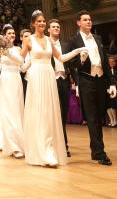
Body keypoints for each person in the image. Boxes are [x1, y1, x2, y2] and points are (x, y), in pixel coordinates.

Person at [21, 10, 86, 167]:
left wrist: (77, 51)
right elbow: (21, 62)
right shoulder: (28, 40)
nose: (42, 23)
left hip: (49, 76)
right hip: (36, 76)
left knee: (50, 113)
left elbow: (61, 58)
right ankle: (41, 151)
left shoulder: (49, 40)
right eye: (39, 21)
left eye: (44, 21)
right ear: (33, 23)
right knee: (39, 112)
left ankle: (50, 150)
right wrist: (8, 55)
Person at [65, 10, 116, 166]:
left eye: (90, 19)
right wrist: (80, 61)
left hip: (100, 80)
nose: (89, 22)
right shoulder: (73, 41)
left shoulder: (98, 38)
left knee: (99, 115)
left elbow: (105, 62)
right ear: (78, 23)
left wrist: (112, 82)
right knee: (92, 117)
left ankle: (96, 149)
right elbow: (70, 64)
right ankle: (100, 153)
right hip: (86, 80)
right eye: (85, 20)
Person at [0, 24, 25, 159]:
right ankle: (13, 146)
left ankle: (21, 143)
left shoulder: (18, 48)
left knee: (18, 110)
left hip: (16, 79)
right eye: (9, 33)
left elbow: (21, 62)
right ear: (4, 36)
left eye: (13, 33)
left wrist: (8, 54)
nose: (12, 35)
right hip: (5, 79)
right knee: (8, 111)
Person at [47, 18, 71, 156]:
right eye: (53, 27)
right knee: (53, 113)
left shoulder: (66, 45)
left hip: (64, 80)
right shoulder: (45, 43)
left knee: (63, 114)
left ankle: (63, 144)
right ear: (48, 30)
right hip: (51, 79)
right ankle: (55, 144)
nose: (56, 28)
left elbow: (70, 63)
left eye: (58, 27)